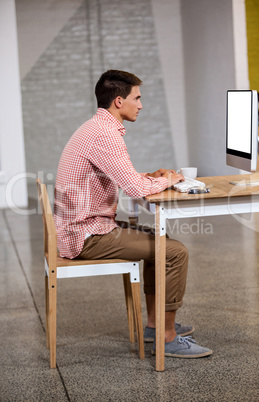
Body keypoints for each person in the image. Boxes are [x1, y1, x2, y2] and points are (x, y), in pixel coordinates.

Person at [54, 70, 212, 358]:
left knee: (159, 240)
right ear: (118, 101)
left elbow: (126, 177)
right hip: (86, 235)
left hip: (81, 227)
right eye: (136, 98)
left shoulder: (96, 128)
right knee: (175, 252)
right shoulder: (105, 134)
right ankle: (167, 337)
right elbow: (135, 188)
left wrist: (153, 176)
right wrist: (171, 179)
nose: (140, 105)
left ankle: (154, 326)